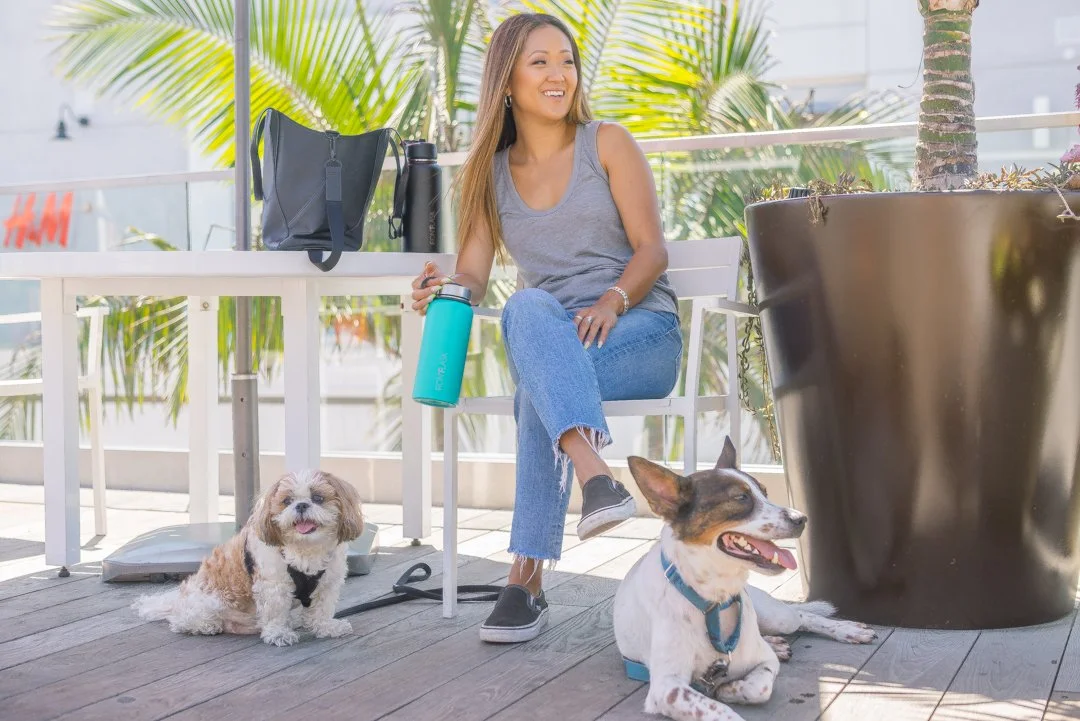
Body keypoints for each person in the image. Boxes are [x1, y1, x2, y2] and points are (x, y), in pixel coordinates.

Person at [410, 12, 682, 644]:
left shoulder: (606, 142)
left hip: (638, 332)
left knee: (537, 370)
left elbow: (652, 252)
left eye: (566, 60)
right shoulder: (488, 175)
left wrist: (614, 300)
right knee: (528, 309)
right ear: (507, 80)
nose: (559, 74)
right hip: (554, 338)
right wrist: (438, 292)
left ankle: (526, 578)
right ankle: (595, 477)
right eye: (540, 62)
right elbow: (472, 278)